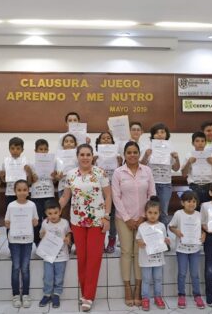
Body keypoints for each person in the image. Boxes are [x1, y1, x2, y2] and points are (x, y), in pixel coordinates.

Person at [59, 144, 111, 312]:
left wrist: (107, 216)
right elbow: (66, 196)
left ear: (92, 156)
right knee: (82, 258)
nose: (85, 157)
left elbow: (108, 195)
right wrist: (53, 211)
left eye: (88, 154)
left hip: (97, 221)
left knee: (94, 259)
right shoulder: (71, 174)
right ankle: (84, 293)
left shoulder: (100, 173)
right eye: (82, 154)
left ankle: (89, 296)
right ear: (77, 156)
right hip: (77, 222)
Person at [112, 141, 156, 307]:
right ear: (124, 154)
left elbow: (152, 194)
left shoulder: (147, 171)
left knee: (139, 253)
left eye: (135, 152)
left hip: (143, 219)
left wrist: (144, 217)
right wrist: (127, 218)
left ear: (139, 153)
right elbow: (116, 197)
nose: (132, 155)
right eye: (129, 152)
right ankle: (127, 288)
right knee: (126, 252)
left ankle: (138, 288)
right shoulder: (118, 172)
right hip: (123, 219)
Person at [169, 190, 206, 310]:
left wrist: (203, 234)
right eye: (188, 201)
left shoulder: (199, 215)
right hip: (182, 249)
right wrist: (176, 231)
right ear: (182, 202)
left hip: (195, 249)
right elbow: (171, 226)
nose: (191, 204)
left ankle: (197, 295)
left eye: (194, 201)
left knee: (195, 274)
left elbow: (203, 228)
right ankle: (181, 294)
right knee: (182, 273)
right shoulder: (178, 214)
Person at [5, 179, 38, 308]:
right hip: (14, 241)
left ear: (28, 191)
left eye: (25, 190)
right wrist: (7, 224)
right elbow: (7, 222)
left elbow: (35, 221)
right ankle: (15, 295)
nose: (22, 192)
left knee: (25, 268)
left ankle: (25, 294)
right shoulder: (11, 205)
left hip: (27, 240)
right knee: (15, 267)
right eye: (19, 190)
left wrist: (35, 222)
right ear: (15, 192)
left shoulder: (32, 205)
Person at [141, 122, 180, 226]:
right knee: (148, 211)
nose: (159, 134)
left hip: (165, 184)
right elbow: (141, 166)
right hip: (150, 184)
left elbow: (176, 169)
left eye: (162, 132)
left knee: (163, 212)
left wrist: (177, 158)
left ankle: (163, 237)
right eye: (156, 133)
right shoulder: (148, 148)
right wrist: (145, 155)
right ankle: (148, 235)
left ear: (166, 134)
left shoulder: (171, 149)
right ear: (152, 135)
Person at [136, 197, 171, 311]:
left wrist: (166, 241)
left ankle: (158, 297)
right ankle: (145, 298)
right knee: (146, 279)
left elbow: (164, 239)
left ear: (159, 213)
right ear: (145, 213)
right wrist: (140, 242)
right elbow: (138, 240)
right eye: (150, 212)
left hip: (158, 259)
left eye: (155, 213)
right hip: (146, 259)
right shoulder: (142, 226)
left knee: (158, 278)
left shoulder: (161, 226)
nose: (152, 215)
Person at [39, 200, 71, 308]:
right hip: (48, 256)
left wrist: (68, 239)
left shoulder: (65, 223)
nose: (53, 216)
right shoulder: (45, 223)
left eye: (55, 213)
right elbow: (41, 235)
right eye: (50, 213)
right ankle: (47, 294)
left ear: (60, 211)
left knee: (59, 277)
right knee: (48, 276)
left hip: (61, 256)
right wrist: (41, 234)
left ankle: (56, 294)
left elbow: (68, 233)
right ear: (46, 213)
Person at [94, 131, 122, 253]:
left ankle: (111, 240)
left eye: (108, 138)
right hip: (99, 189)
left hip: (113, 187)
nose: (106, 140)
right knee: (100, 215)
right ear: (99, 142)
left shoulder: (118, 155)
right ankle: (99, 241)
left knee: (112, 215)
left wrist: (120, 162)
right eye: (103, 138)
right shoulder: (94, 155)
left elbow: (121, 172)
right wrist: (93, 161)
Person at [181, 131, 212, 206]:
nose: (200, 143)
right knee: (195, 210)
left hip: (209, 186)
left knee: (208, 210)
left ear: (205, 143)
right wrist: (189, 163)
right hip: (194, 186)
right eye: (197, 141)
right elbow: (183, 174)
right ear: (192, 143)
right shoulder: (189, 155)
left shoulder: (211, 155)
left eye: (202, 141)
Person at [30, 139, 56, 247]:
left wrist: (55, 177)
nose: (43, 151)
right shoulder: (31, 164)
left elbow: (54, 180)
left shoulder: (53, 163)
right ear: (35, 151)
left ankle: (50, 244)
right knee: (37, 221)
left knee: (50, 220)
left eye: (45, 149)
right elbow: (28, 182)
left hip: (49, 194)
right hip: (36, 196)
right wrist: (32, 177)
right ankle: (38, 243)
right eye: (41, 149)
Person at [0, 137, 32, 205]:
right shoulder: (5, 162)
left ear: (22, 150)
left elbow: (29, 182)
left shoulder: (26, 162)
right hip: (10, 192)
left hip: (23, 193)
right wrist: (2, 176)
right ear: (9, 149)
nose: (15, 151)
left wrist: (29, 172)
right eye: (12, 148)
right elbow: (4, 181)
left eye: (18, 148)